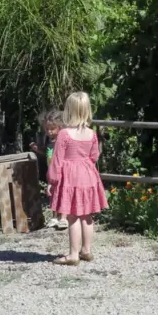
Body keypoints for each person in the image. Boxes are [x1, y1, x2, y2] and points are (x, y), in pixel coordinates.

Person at [48, 92, 108, 266]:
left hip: (71, 178)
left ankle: (73, 254)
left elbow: (57, 160)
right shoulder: (91, 133)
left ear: (69, 110)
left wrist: (53, 181)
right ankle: (86, 250)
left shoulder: (64, 134)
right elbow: (94, 156)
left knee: (73, 215)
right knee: (86, 215)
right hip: (88, 176)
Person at [30, 110, 68, 230]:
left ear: (61, 127)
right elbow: (48, 155)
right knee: (52, 194)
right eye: (46, 129)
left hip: (62, 172)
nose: (49, 132)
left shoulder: (62, 141)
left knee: (63, 193)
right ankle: (54, 217)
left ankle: (64, 217)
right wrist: (38, 150)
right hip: (51, 171)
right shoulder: (50, 142)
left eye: (52, 128)